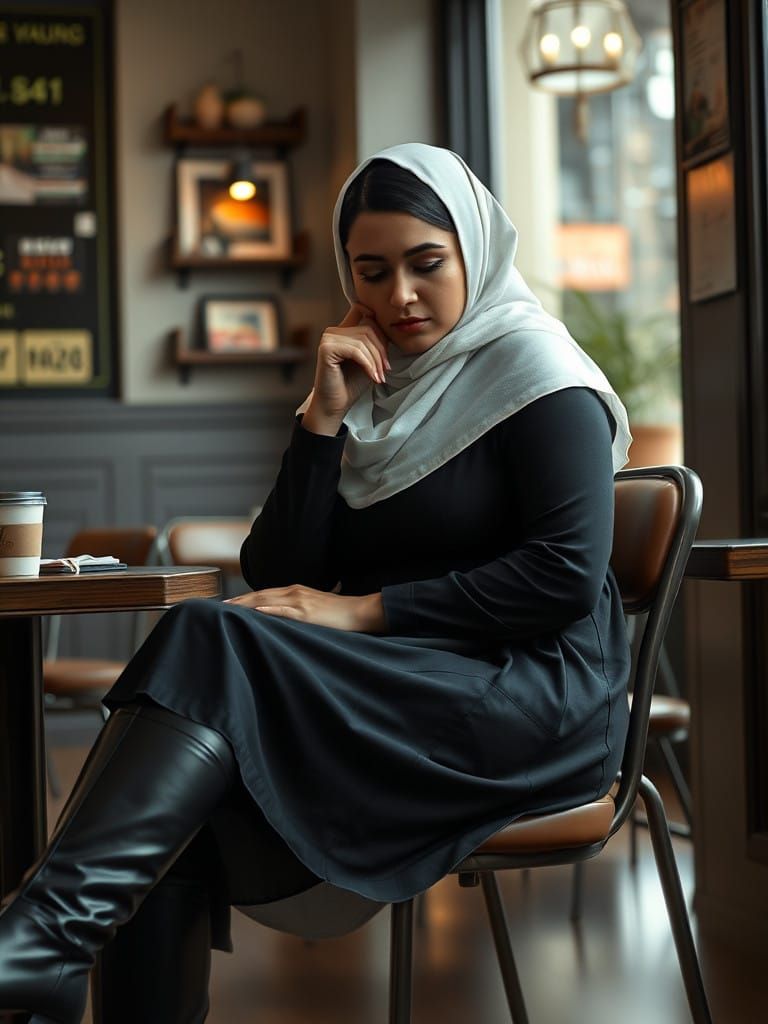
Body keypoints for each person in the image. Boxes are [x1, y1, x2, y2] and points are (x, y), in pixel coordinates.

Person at [0, 143, 633, 1023]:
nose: (399, 297)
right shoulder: (380, 396)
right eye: (371, 272)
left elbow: (562, 579)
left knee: (207, 645)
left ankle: (38, 943)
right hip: (410, 674)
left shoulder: (542, 375)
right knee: (181, 779)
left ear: (476, 252)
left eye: (426, 264)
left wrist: (361, 610)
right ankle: (45, 942)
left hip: (530, 692)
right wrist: (323, 416)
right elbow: (281, 573)